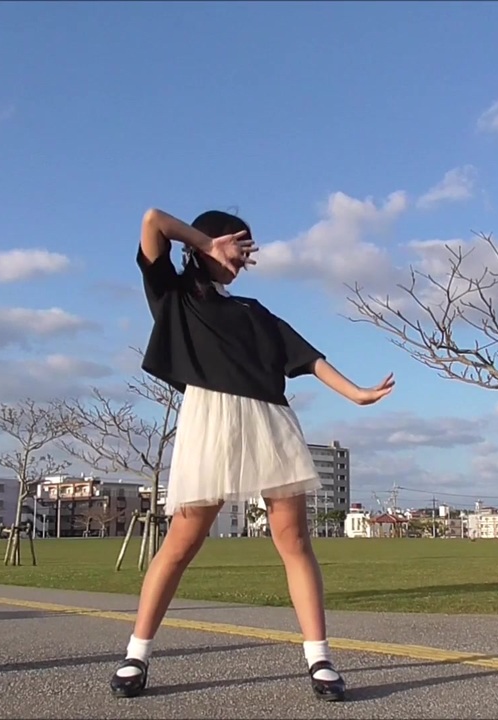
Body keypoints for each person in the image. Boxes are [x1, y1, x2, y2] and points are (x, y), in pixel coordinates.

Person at [109, 208, 395, 702]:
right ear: (204, 246)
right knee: (180, 544)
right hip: (209, 424)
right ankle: (137, 654)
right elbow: (153, 220)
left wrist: (358, 394)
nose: (243, 261)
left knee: (295, 541)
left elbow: (307, 357)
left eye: (247, 252)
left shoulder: (253, 310)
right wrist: (207, 242)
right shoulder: (175, 295)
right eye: (238, 249)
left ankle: (320, 659)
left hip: (271, 424)